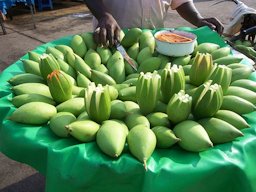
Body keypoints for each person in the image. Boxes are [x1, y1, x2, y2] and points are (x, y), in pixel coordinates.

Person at [84, 0, 224, 46]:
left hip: (154, 46)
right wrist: (104, 15)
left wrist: (198, 19)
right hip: (111, 41)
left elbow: (181, 2)